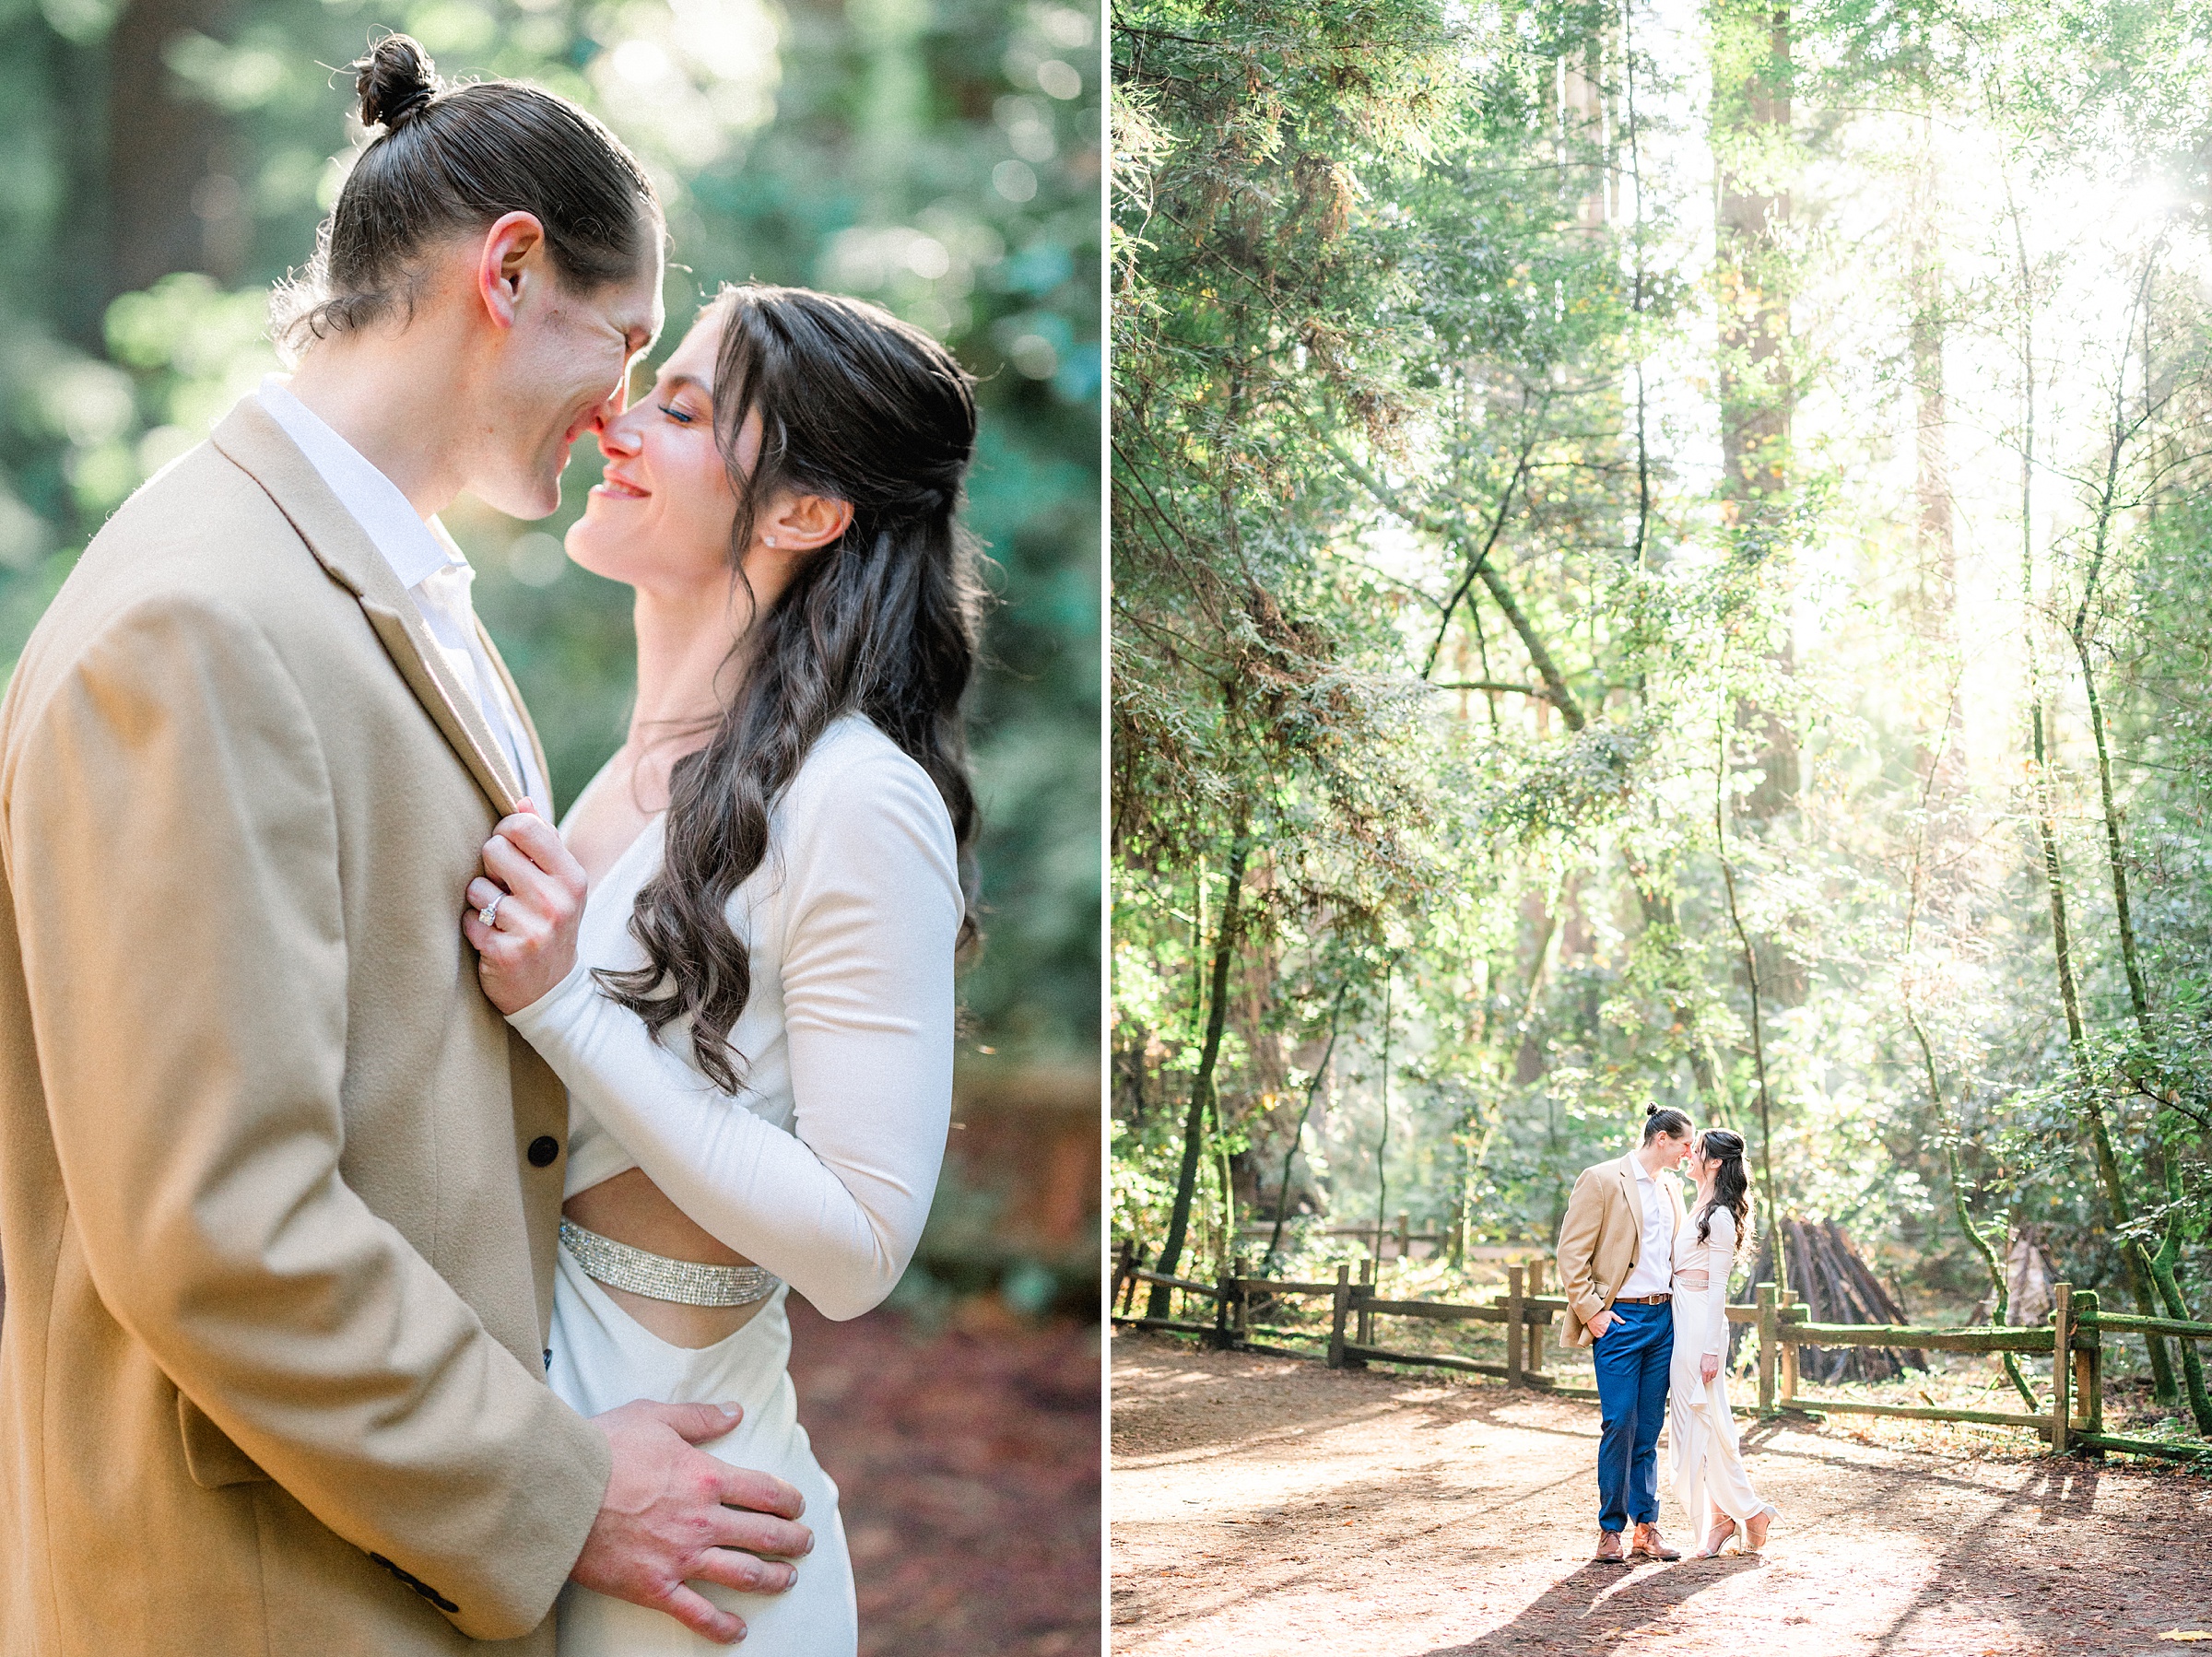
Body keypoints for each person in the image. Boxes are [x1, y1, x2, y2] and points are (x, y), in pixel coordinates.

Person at [0, 37, 810, 1653]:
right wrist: (565, 1483)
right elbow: (215, 1225)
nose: (616, 417)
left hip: (372, 1561)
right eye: (624, 341)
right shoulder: (199, 623)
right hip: (261, 1591)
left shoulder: (386, 584)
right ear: (509, 269)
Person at [467, 281, 979, 1656]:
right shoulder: (624, 773)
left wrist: (569, 1008)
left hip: (697, 1538)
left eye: (684, 409)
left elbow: (862, 1248)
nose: (621, 422)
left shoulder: (856, 800)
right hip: (556, 1478)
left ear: (805, 514)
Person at [1556, 1104, 1693, 1564]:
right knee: (1619, 1423)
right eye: (1683, 1144)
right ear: (1661, 1140)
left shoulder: (1672, 1188)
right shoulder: (1600, 1179)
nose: (1688, 1153)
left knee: (1650, 1428)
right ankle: (1609, 1530)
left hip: (1663, 1320)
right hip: (1618, 1321)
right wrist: (1593, 1311)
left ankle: (1647, 1528)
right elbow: (1571, 1253)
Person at [1668, 1128, 1781, 1557]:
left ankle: (1743, 1513)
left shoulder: (1717, 1216)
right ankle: (1731, 1516)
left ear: (1714, 1162)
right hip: (1681, 1315)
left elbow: (1718, 1288)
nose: (1688, 1155)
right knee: (1697, 1423)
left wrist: (1712, 1349)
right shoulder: (1695, 1205)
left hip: (1700, 1324)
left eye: (1695, 1150)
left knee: (1705, 1419)